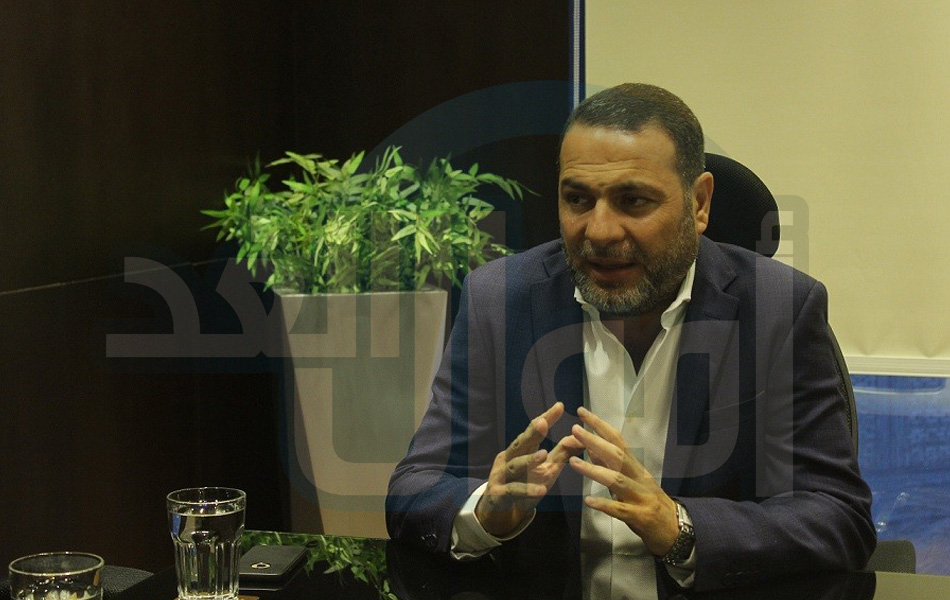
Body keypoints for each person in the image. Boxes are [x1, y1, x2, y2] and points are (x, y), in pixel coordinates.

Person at [386, 83, 876, 595]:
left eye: (633, 201)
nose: (599, 231)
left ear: (699, 203)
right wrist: (486, 512)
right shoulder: (501, 300)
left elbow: (837, 515)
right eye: (578, 199)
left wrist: (680, 528)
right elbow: (414, 488)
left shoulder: (779, 309)